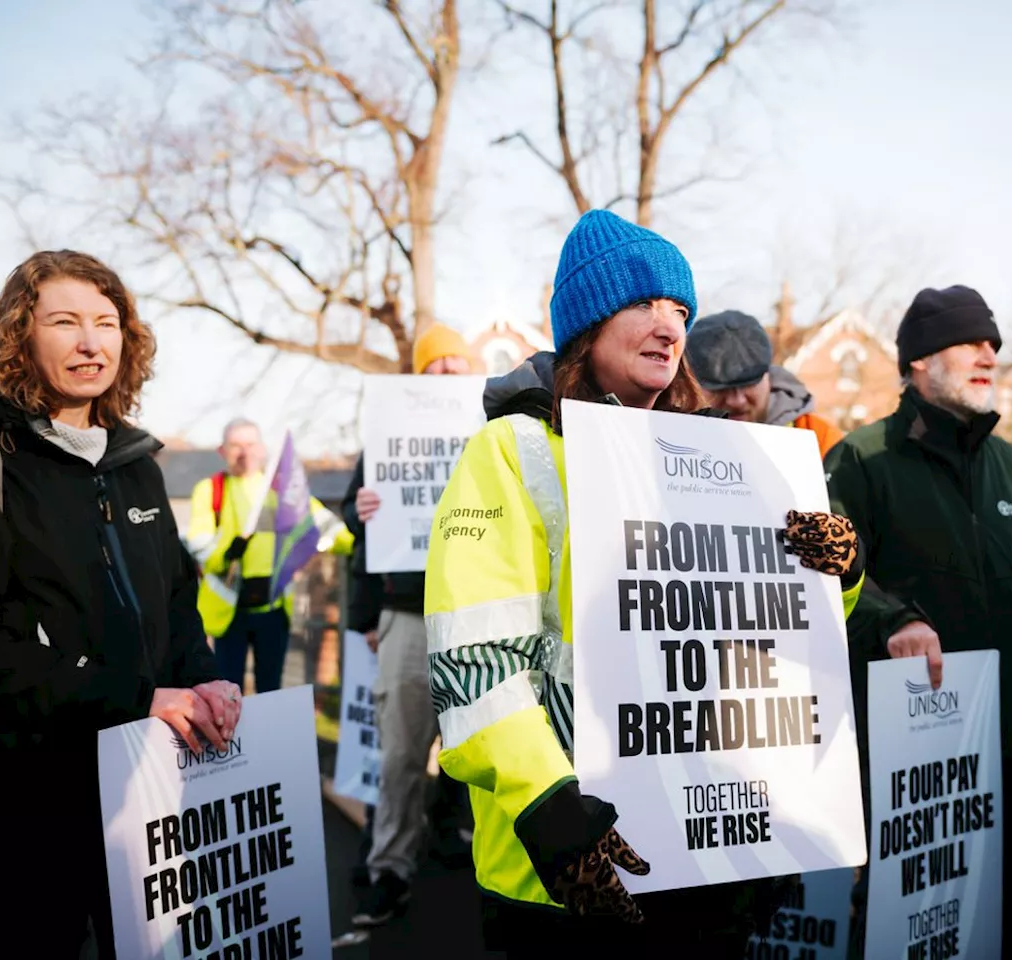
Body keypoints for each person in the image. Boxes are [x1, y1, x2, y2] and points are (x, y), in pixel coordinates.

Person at [423, 209, 865, 956]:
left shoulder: (720, 460)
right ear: (587, 322)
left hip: (702, 857)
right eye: (643, 304)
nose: (669, 326)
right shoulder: (512, 452)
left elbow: (778, 633)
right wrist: (545, 804)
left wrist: (839, 576)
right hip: (565, 865)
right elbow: (476, 662)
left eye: (680, 310)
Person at [0, 250, 241, 959]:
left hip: (147, 800)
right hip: (24, 806)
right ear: (21, 334)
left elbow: (175, 600)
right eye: (65, 321)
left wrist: (202, 677)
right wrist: (137, 699)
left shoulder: (136, 463)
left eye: (107, 323)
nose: (90, 342)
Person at [824, 285, 1012, 958]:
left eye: (993, 343)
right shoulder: (862, 459)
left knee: (999, 919)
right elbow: (821, 574)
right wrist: (891, 617)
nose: (988, 353)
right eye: (968, 341)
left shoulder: (1011, 467)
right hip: (913, 770)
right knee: (901, 930)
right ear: (918, 363)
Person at [344, 322, 476, 925]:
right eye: (435, 363)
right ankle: (389, 868)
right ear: (418, 374)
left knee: (483, 744)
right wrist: (359, 509)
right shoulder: (386, 434)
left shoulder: (491, 429)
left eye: (456, 362)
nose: (446, 371)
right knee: (400, 752)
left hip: (479, 613)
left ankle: (467, 845)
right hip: (405, 612)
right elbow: (355, 520)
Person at [186, 418, 352, 694]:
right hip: (229, 612)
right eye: (236, 445)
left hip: (273, 608)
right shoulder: (210, 490)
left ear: (262, 448)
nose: (244, 452)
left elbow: (322, 527)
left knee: (271, 691)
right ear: (222, 451)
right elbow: (200, 546)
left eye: (250, 444)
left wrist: (362, 534)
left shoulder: (282, 492)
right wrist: (226, 554)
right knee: (227, 692)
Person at [685, 309, 844, 456]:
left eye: (748, 384)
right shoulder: (672, 436)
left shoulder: (820, 439)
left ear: (768, 375)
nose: (737, 400)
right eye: (719, 388)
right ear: (691, 381)